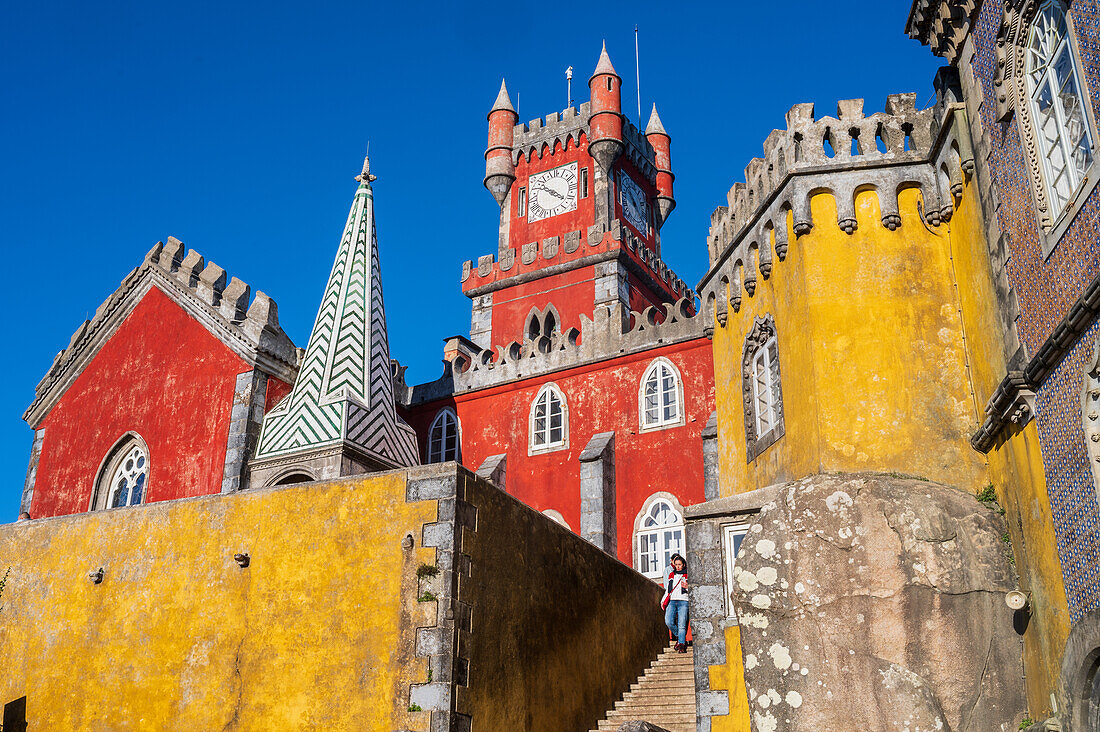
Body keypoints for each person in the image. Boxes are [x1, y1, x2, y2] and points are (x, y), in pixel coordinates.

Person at [661, 553, 690, 653]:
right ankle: (680, 636)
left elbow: (695, 589)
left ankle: (681, 644)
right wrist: (663, 600)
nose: (677, 566)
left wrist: (687, 587)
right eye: (676, 564)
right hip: (672, 600)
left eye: (679, 564)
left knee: (682, 623)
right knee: (668, 621)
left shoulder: (688, 575)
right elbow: (668, 590)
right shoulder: (671, 575)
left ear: (683, 565)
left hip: (684, 600)